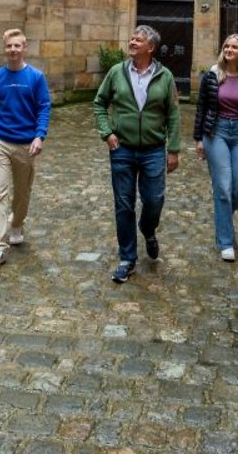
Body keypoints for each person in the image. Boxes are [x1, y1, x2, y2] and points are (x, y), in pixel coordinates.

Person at [93, 25, 181, 283]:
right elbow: (99, 103)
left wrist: (173, 149)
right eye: (131, 38)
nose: (132, 42)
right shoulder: (116, 72)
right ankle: (127, 258)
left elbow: (173, 113)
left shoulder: (165, 76)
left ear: (150, 47)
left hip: (153, 149)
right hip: (122, 148)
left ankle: (148, 228)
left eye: (138, 40)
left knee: (154, 199)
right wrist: (107, 132)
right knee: (124, 203)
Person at [0, 28, 51, 271]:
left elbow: (44, 107)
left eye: (17, 45)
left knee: (22, 193)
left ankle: (17, 223)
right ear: (4, 48)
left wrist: (39, 136)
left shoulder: (36, 77)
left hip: (26, 144)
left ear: (24, 48)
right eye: (9, 46)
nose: (13, 50)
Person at [193, 34, 238, 262]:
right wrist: (198, 139)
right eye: (226, 46)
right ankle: (225, 242)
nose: (229, 49)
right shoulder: (212, 75)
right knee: (223, 188)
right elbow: (201, 107)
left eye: (234, 47)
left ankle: (222, 215)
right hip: (216, 132)